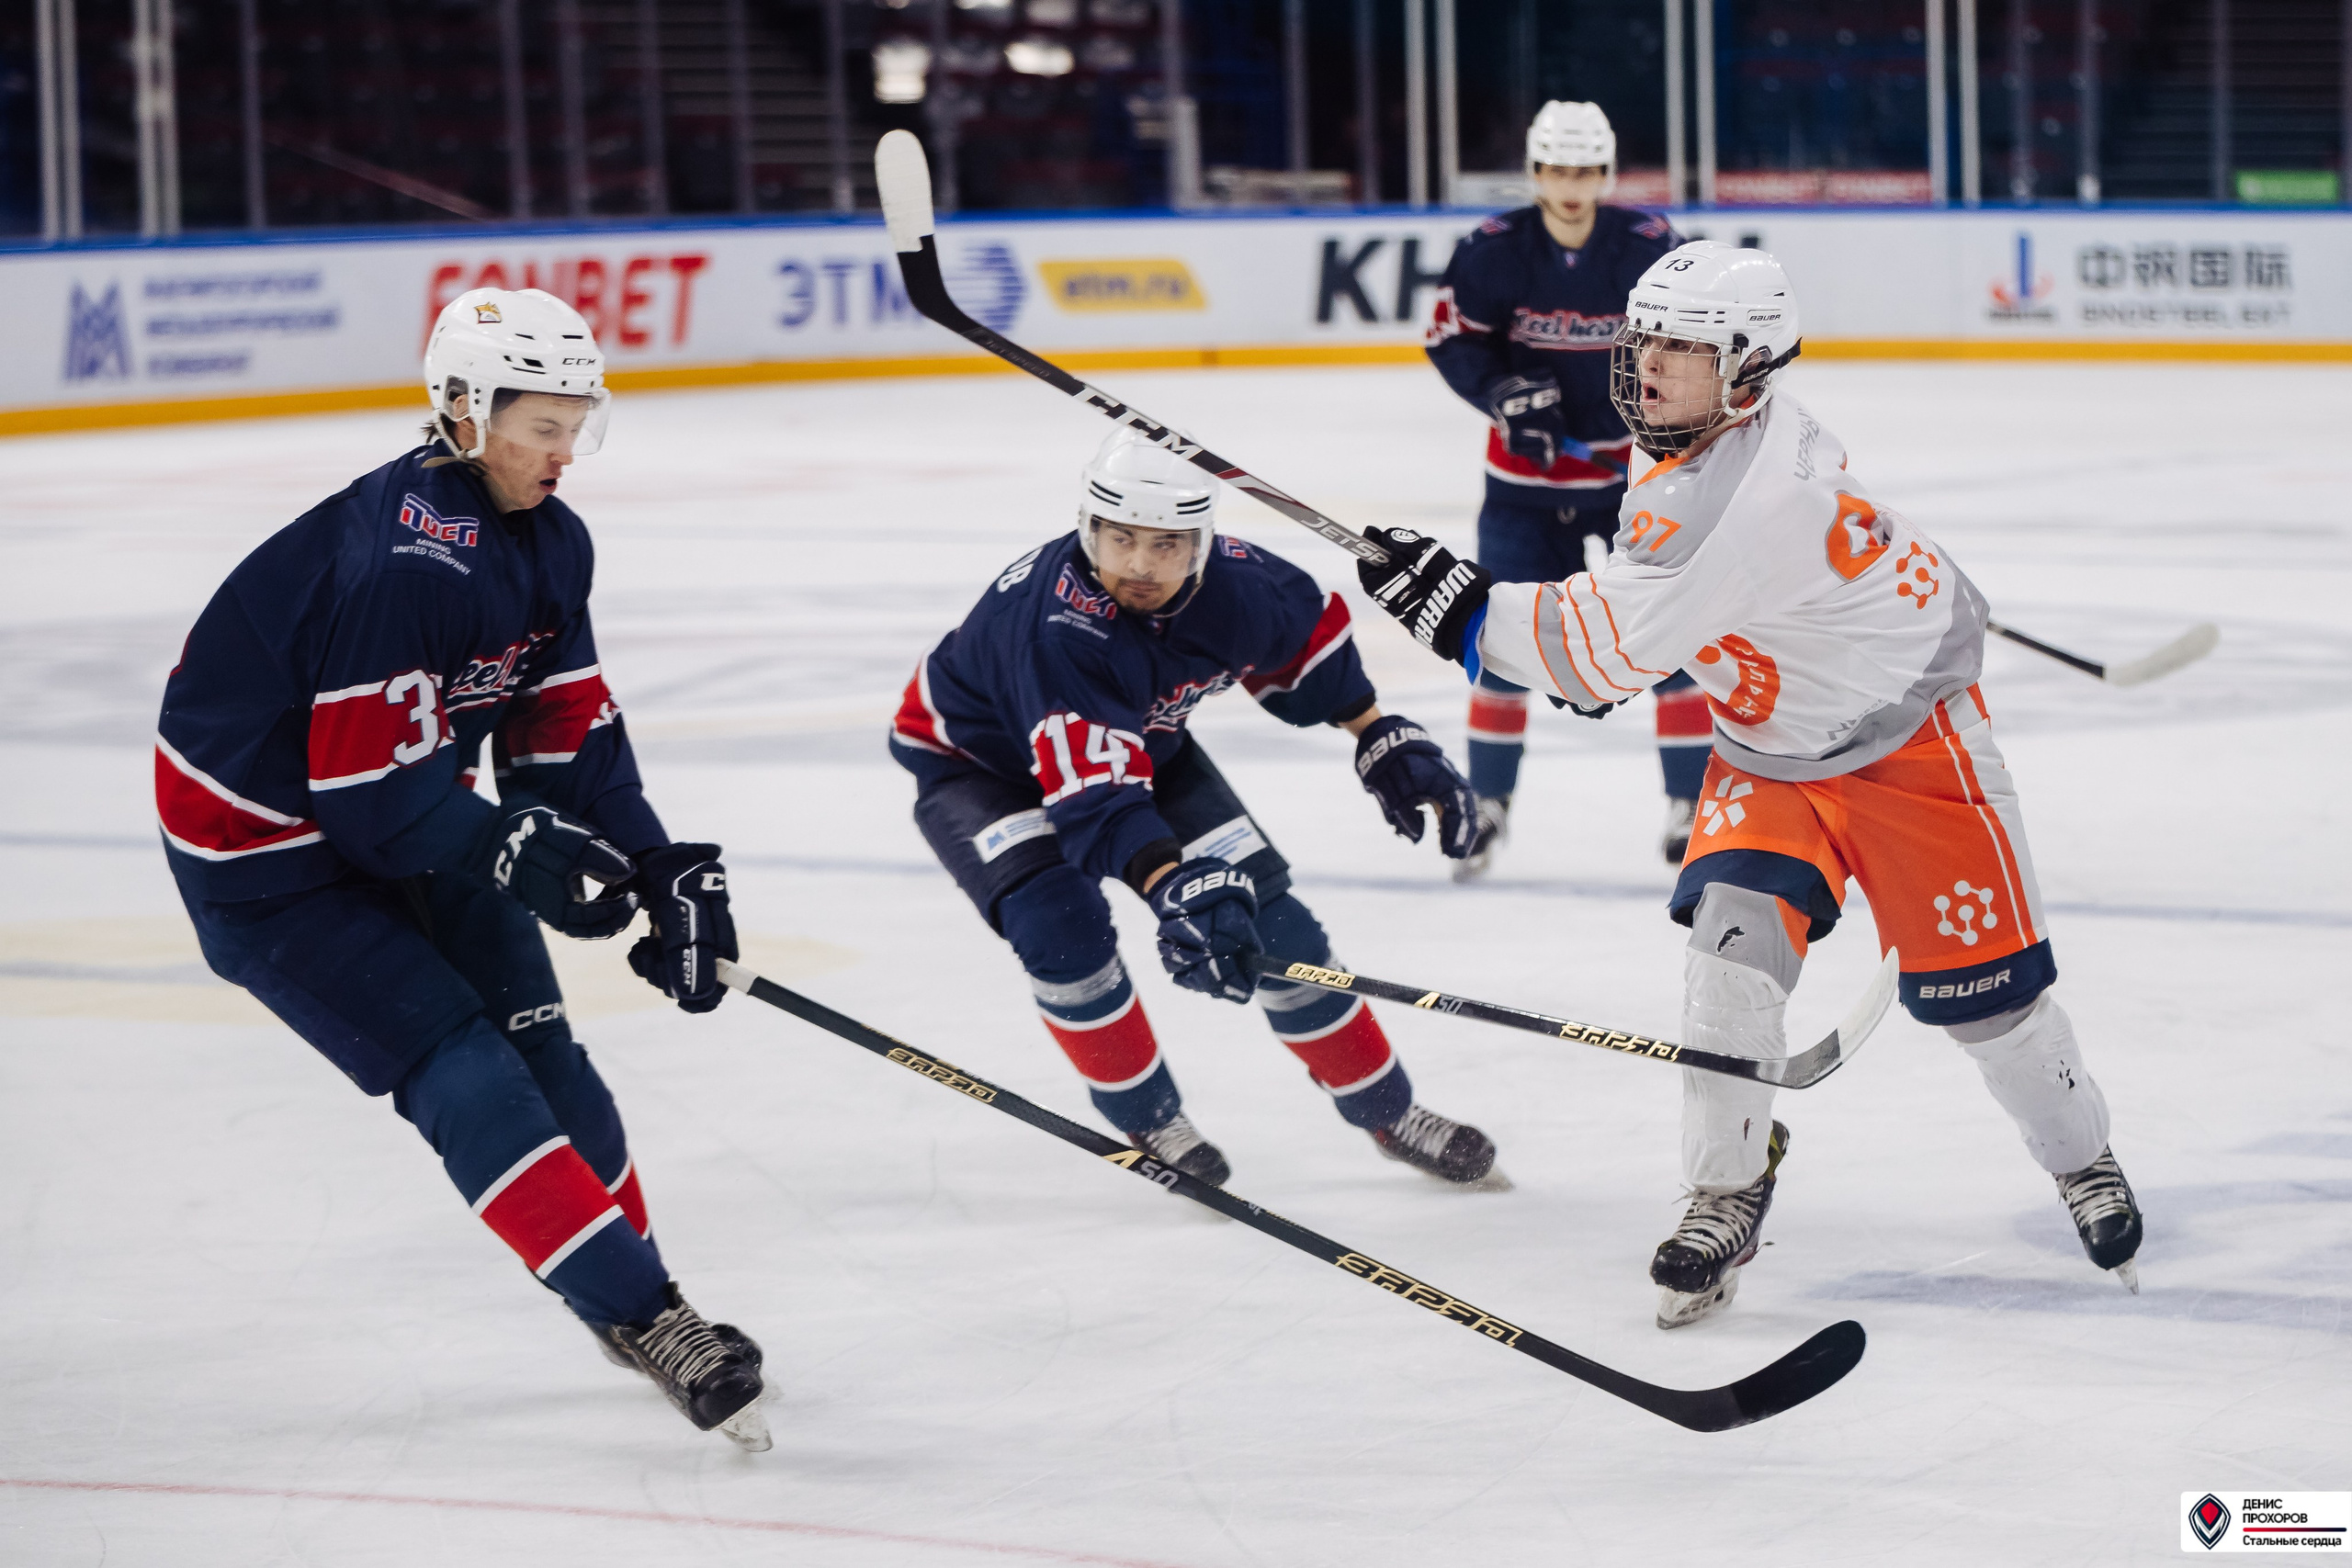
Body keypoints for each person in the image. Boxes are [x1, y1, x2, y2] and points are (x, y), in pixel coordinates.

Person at [1354, 242, 2143, 1327]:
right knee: (1728, 963)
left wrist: (1461, 611)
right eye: (1644, 341)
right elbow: (1651, 614)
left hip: (1912, 749)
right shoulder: (1724, 433)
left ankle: (2081, 1158)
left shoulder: (1733, 497)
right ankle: (1723, 1191)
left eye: (1683, 347)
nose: (1647, 367)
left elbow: (1601, 658)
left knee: (1995, 1008)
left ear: (1751, 368)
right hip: (1770, 750)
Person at [154, 288, 770, 1448]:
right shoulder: (400, 561)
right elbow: (362, 800)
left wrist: (655, 863)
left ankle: (640, 1308)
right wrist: (509, 846)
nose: (565, 449)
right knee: (459, 1058)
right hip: (263, 858)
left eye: (576, 420)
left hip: (407, 805)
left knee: (545, 1046)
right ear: (460, 410)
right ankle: (649, 1312)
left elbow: (565, 740)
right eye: (542, 423)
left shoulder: (550, 539)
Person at [889, 430, 1500, 1188]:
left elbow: (1306, 650)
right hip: (979, 770)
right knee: (1062, 928)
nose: (1140, 565)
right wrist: (1171, 882)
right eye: (1120, 540)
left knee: (1278, 927)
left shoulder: (1240, 584)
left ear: (1204, 541)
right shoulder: (1058, 629)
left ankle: (1388, 1111)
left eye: (1166, 544)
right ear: (1089, 529)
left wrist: (1375, 732)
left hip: (1140, 746)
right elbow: (1096, 797)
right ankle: (1151, 1117)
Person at [1424, 99, 1706, 877]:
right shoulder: (1492, 251)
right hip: (1524, 484)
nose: (1572, 185)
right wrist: (1503, 395)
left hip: (1633, 482)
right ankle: (1485, 803)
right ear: (1535, 172)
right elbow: (1452, 339)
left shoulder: (1649, 247)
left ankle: (1691, 803)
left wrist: (1663, 422)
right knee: (1503, 638)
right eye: (1557, 169)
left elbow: (1691, 348)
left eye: (1585, 170)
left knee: (1670, 635)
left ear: (1605, 172)